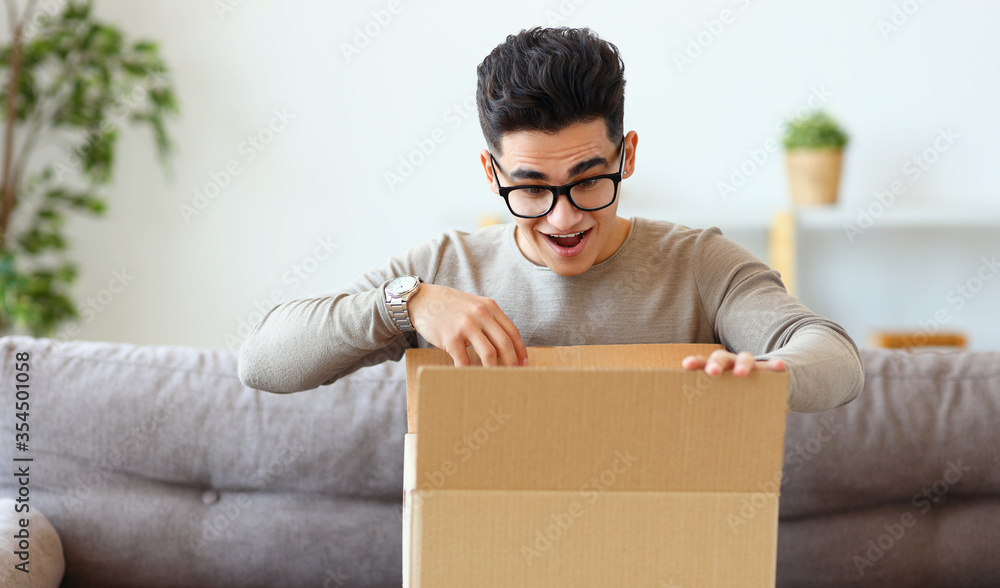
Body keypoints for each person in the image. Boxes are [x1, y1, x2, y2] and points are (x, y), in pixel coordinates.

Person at [238, 27, 863, 413]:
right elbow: (262, 361)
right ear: (492, 173)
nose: (564, 218)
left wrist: (766, 376)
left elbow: (833, 357)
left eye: (590, 179)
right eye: (531, 188)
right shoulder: (444, 269)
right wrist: (404, 305)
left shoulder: (698, 264)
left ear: (628, 154)